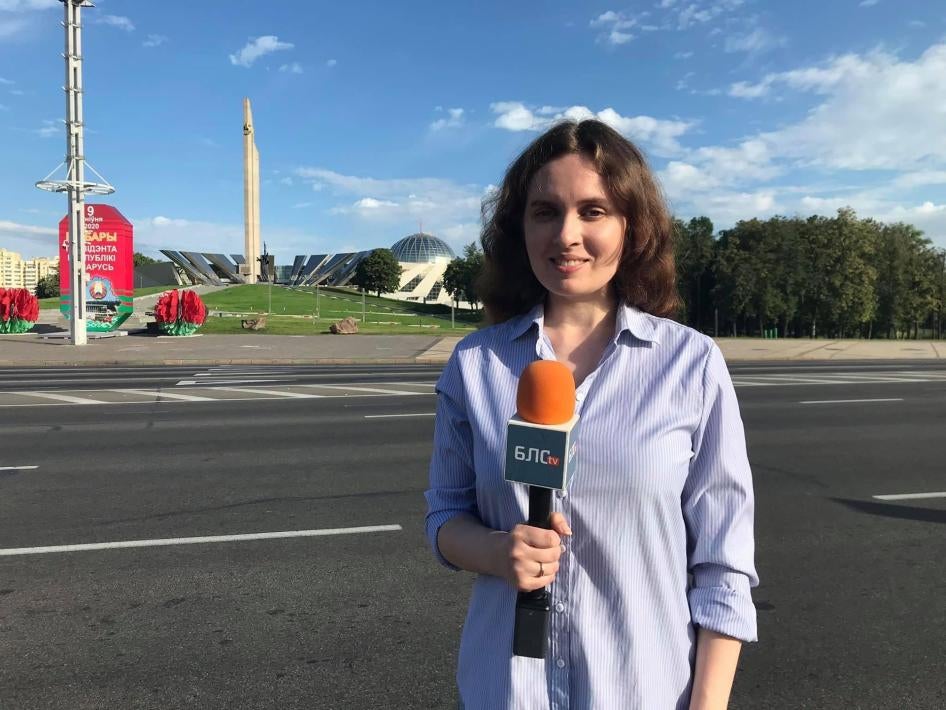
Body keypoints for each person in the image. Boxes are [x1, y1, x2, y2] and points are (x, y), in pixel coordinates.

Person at [425, 119, 757, 710]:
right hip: (508, 691)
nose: (567, 235)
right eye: (545, 212)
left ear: (632, 226)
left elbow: (724, 564)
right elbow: (445, 517)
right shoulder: (475, 364)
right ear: (520, 227)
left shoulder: (691, 363)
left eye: (593, 211)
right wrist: (497, 552)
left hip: (644, 691)